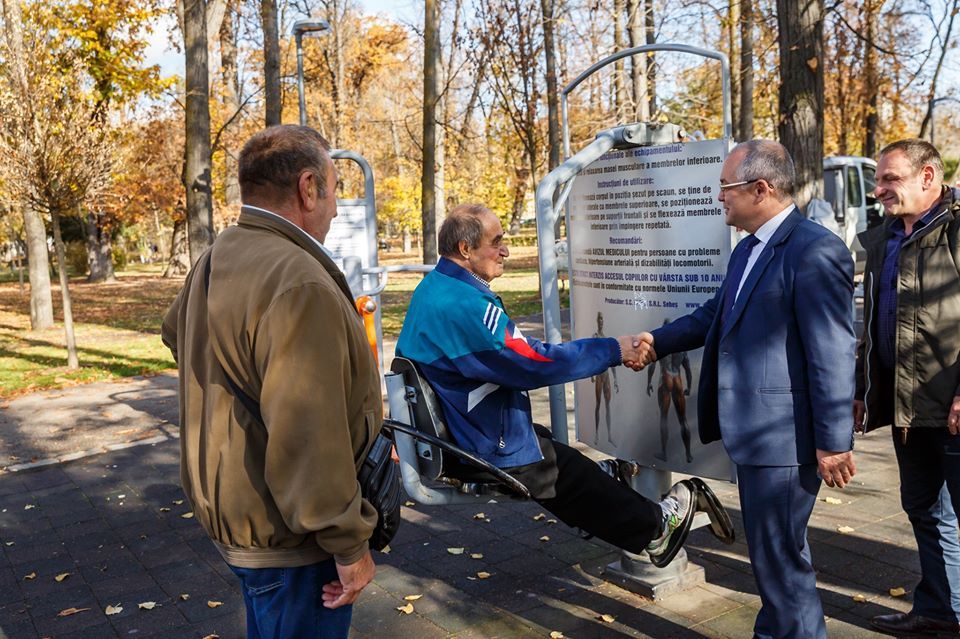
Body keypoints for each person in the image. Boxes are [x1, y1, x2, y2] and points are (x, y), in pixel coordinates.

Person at [396, 203, 730, 568]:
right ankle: (658, 529)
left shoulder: (434, 288)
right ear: (465, 249)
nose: (505, 251)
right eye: (496, 242)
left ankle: (603, 492)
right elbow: (533, 363)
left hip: (455, 431)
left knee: (550, 447)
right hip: (474, 442)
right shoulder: (465, 305)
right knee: (558, 470)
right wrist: (614, 349)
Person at [161, 125, 381, 639]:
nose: (335, 208)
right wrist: (348, 545)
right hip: (294, 540)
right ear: (309, 188)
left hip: (244, 519)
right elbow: (309, 430)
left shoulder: (219, 254)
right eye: (333, 190)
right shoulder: (298, 279)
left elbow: (175, 332)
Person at [635, 139, 857, 639]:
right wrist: (656, 341)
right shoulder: (748, 250)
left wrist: (833, 441)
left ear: (760, 189)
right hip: (756, 436)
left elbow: (833, 354)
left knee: (780, 559)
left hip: (785, 440)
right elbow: (714, 315)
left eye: (725, 187)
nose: (719, 197)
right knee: (772, 556)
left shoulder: (814, 250)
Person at [854, 139, 960, 637]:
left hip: (952, 407)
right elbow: (872, 325)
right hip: (907, 409)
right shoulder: (885, 239)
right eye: (878, 180)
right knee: (924, 510)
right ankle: (940, 610)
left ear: (928, 177)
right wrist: (862, 390)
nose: (878, 190)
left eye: (889, 179)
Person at [646, 320, 693, 463]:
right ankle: (688, 454)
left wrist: (648, 382)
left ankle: (664, 453)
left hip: (665, 380)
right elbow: (688, 370)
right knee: (683, 419)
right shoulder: (681, 347)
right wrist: (689, 387)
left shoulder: (660, 344)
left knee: (664, 418)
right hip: (677, 379)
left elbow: (652, 365)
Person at [591, 312, 618, 446]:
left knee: (608, 406)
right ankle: (596, 434)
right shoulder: (595, 337)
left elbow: (612, 360)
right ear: (597, 321)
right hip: (599, 374)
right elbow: (590, 355)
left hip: (606, 375)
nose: (601, 321)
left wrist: (616, 379)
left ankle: (609, 435)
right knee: (598, 404)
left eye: (602, 319)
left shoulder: (607, 339)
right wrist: (591, 374)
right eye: (599, 319)